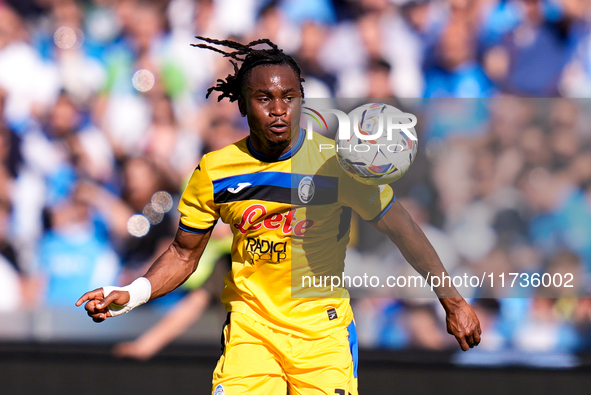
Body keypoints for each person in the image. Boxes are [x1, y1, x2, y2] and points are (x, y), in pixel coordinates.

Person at [77, 37, 481, 395]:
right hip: (251, 334)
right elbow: (184, 255)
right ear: (242, 102)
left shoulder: (338, 164)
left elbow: (403, 230)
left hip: (323, 336)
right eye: (265, 99)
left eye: (289, 97)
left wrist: (453, 301)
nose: (278, 110)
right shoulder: (215, 171)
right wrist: (131, 295)